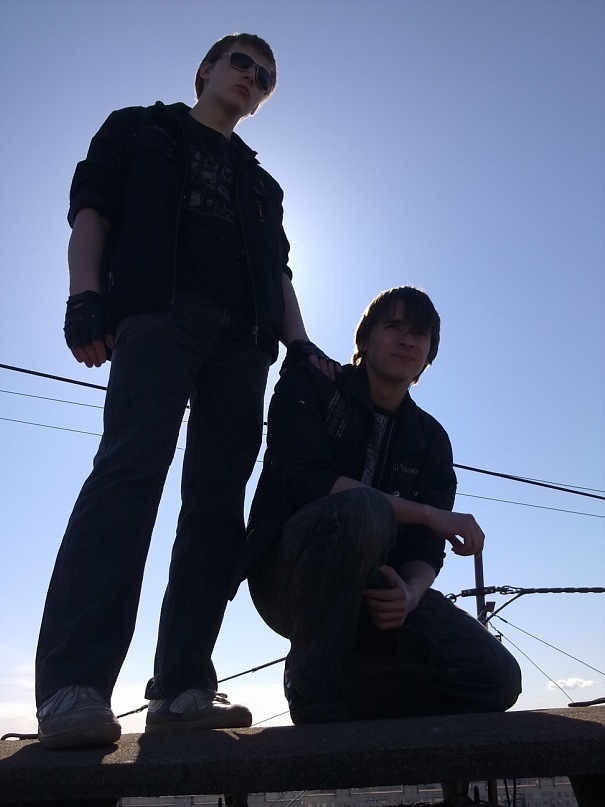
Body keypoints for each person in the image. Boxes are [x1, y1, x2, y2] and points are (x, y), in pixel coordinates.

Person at [35, 33, 337, 749]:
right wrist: (85, 297)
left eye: (265, 77)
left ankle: (182, 686)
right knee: (128, 473)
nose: (253, 78)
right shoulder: (140, 129)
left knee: (216, 504)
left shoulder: (262, 185)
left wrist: (298, 345)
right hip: (158, 315)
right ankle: (74, 685)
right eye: (242, 63)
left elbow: (280, 272)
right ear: (206, 70)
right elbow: (92, 211)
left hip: (245, 342)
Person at [239, 286, 522, 725]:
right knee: (364, 508)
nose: (408, 340)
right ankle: (313, 686)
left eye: (421, 335)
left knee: (498, 678)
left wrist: (410, 594)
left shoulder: (431, 438)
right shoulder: (313, 384)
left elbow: (426, 549)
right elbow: (305, 480)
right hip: (289, 578)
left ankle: (351, 686)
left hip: (376, 596)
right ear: (365, 340)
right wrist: (426, 513)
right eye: (394, 327)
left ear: (429, 355)